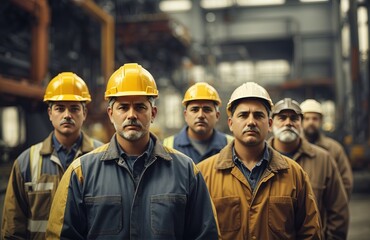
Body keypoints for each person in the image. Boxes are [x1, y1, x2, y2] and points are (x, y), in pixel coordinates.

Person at [46, 63, 220, 239]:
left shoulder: (185, 171)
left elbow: (205, 234)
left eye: (140, 107)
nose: (131, 115)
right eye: (123, 107)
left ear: (153, 113)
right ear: (110, 114)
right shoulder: (82, 172)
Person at [197, 82, 322, 239]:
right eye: (243, 115)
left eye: (258, 115)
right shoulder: (204, 174)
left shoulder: (294, 174)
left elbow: (310, 233)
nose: (251, 122)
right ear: (230, 123)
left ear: (269, 124)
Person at [1, 72, 103, 239]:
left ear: (84, 113)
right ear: (50, 113)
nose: (67, 115)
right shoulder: (26, 162)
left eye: (74, 108)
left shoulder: (102, 157)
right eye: (60, 108)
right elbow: (13, 228)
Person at [268, 98, 349, 239]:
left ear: (300, 124)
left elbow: (338, 209)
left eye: (294, 118)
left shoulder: (323, 159)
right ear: (270, 123)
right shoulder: (259, 159)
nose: (288, 123)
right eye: (282, 118)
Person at [163, 82, 233, 163]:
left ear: (217, 115)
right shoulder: (167, 147)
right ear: (185, 115)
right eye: (195, 110)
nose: (200, 115)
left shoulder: (231, 146)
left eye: (207, 109)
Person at [300, 99, 353, 199]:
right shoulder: (292, 147)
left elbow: (346, 182)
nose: (311, 122)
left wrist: (335, 208)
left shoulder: (334, 149)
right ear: (300, 121)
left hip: (324, 212)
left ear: (321, 121)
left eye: (315, 119)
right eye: (307, 119)